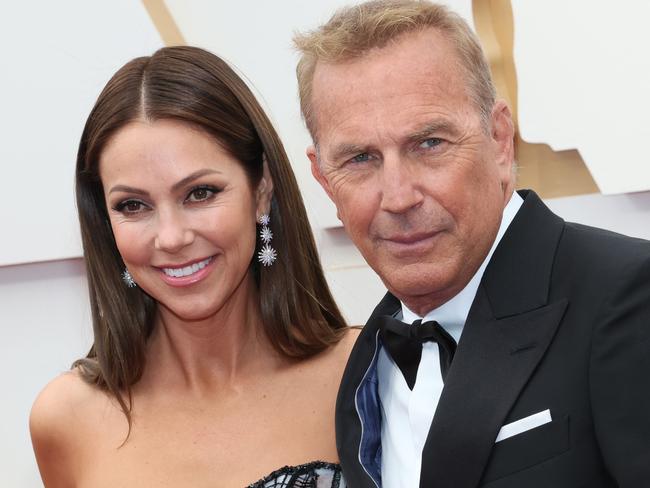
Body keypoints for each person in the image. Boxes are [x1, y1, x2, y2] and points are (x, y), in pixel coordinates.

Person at [294, 1, 650, 487]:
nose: (398, 197)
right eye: (359, 158)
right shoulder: (364, 361)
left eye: (429, 144)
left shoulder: (629, 297)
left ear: (500, 140)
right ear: (323, 179)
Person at [29, 46, 356, 488]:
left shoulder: (362, 376)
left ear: (261, 190)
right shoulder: (66, 418)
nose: (171, 237)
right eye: (133, 205)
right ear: (106, 224)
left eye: (199, 193)